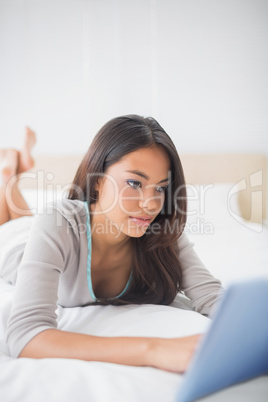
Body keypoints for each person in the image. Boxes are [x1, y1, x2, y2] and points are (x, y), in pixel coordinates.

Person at [0, 115, 222, 373]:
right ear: (97, 180)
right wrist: (153, 349)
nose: (150, 205)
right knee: (13, 222)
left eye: (160, 188)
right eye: (135, 183)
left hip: (44, 235)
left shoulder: (161, 230)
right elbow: (25, 336)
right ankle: (8, 174)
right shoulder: (58, 219)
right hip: (14, 243)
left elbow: (211, 297)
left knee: (24, 216)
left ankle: (11, 172)